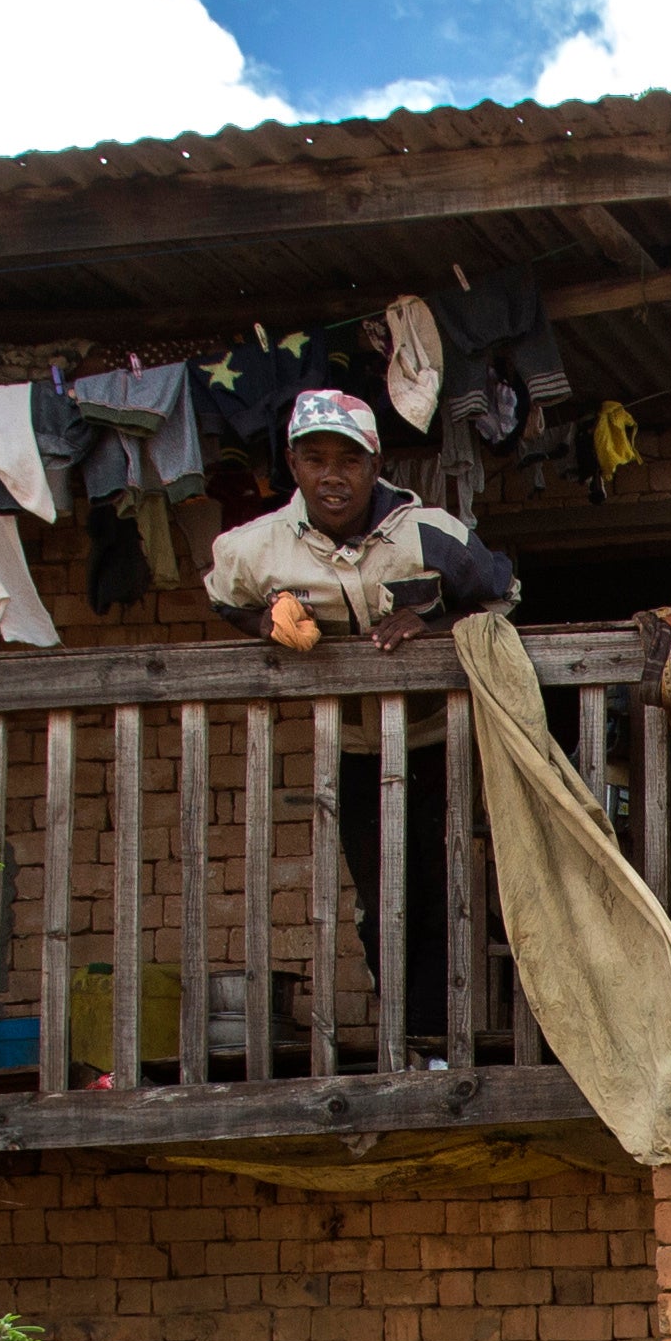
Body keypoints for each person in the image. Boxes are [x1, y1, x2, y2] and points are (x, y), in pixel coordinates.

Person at [202, 390, 519, 1054]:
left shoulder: (428, 533)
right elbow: (222, 597)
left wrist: (430, 624)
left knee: (438, 887)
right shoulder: (255, 548)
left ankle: (435, 1042)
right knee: (381, 895)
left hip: (436, 741)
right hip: (351, 748)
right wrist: (263, 622)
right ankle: (402, 1037)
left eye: (348, 460)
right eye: (314, 459)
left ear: (375, 464)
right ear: (292, 464)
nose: (331, 477)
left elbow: (501, 594)